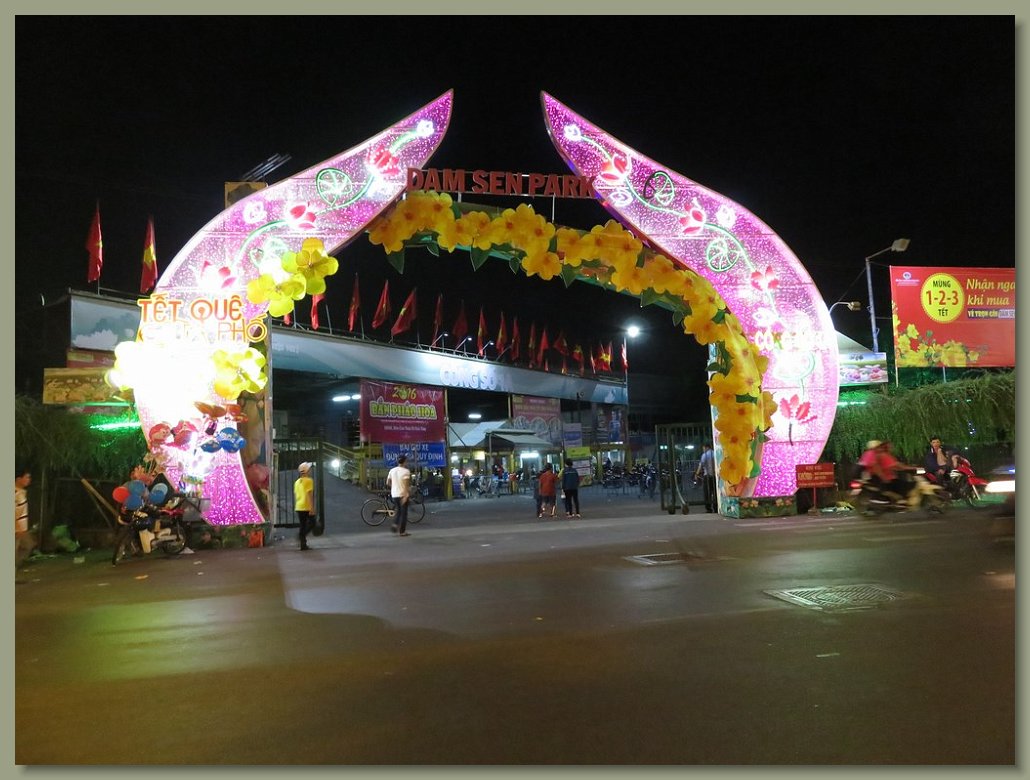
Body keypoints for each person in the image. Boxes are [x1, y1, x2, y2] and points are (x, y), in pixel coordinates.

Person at [15, 466, 38, 568]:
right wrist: (18, 528)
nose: (29, 480)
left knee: (28, 545)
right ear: (19, 479)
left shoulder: (21, 492)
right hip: (17, 528)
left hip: (21, 528)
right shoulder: (16, 493)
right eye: (27, 477)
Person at [386, 454, 412, 536]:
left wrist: (394, 487)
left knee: (399, 511)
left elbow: (387, 482)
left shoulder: (392, 470)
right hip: (402, 494)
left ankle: (395, 524)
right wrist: (406, 495)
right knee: (404, 513)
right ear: (405, 461)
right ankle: (402, 531)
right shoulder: (406, 471)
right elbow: (406, 485)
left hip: (394, 494)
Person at [293, 462, 315, 551]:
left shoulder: (297, 482)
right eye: (309, 469)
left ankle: (303, 544)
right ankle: (301, 536)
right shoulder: (309, 481)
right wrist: (312, 507)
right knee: (312, 523)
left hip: (299, 506)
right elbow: (310, 495)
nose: (310, 470)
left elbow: (296, 495)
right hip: (306, 506)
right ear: (307, 471)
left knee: (303, 525)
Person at [695, 443, 717, 513]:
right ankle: (716, 507)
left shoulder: (705, 455)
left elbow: (701, 465)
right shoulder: (715, 453)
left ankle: (708, 508)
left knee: (707, 493)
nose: (703, 450)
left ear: (706, 447)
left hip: (707, 476)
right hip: (715, 476)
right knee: (715, 492)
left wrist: (697, 474)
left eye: (703, 448)